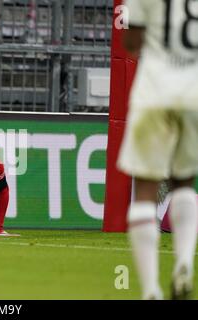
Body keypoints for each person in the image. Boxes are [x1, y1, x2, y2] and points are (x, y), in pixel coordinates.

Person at [118, 0, 198, 299]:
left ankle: (151, 288)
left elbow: (131, 41)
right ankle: (184, 263)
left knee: (145, 190)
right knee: (184, 181)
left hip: (153, 93)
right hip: (193, 93)